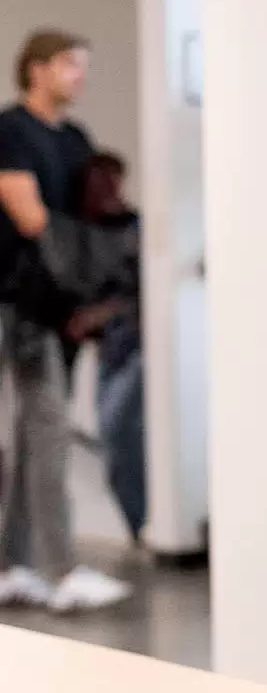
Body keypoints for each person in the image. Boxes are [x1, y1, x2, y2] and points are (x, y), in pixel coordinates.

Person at [0, 30, 130, 614]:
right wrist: (82, 252)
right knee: (48, 429)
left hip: (60, 309)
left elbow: (89, 211)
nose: (79, 76)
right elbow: (29, 217)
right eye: (71, 66)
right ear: (37, 69)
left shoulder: (75, 139)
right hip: (18, 302)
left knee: (36, 435)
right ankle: (61, 569)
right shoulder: (11, 132)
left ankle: (14, 564)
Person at [63, 152, 146, 547]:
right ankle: (137, 527)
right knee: (114, 441)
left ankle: (143, 525)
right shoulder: (83, 233)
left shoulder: (134, 229)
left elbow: (142, 292)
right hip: (108, 352)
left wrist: (104, 314)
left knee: (117, 432)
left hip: (134, 348)